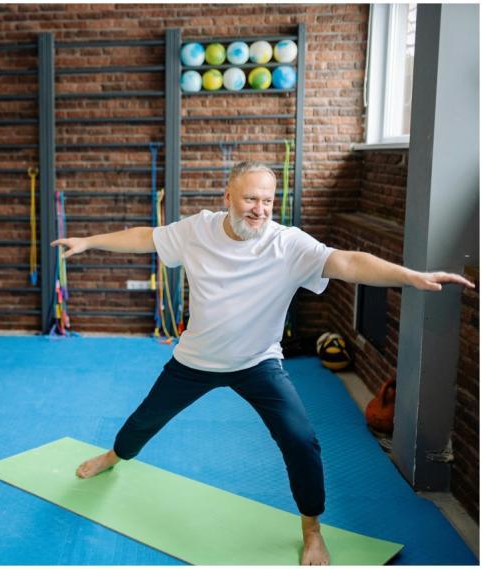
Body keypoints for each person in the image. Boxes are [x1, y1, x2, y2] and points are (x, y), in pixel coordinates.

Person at [51, 161, 474, 565]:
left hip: (258, 363)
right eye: (250, 199)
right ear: (227, 196)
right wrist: (89, 241)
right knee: (145, 419)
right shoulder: (196, 229)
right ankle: (115, 455)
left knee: (301, 440)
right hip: (195, 360)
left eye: (268, 201)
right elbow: (147, 237)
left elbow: (347, 261)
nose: (260, 209)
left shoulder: (288, 244)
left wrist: (410, 276)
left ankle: (311, 528)